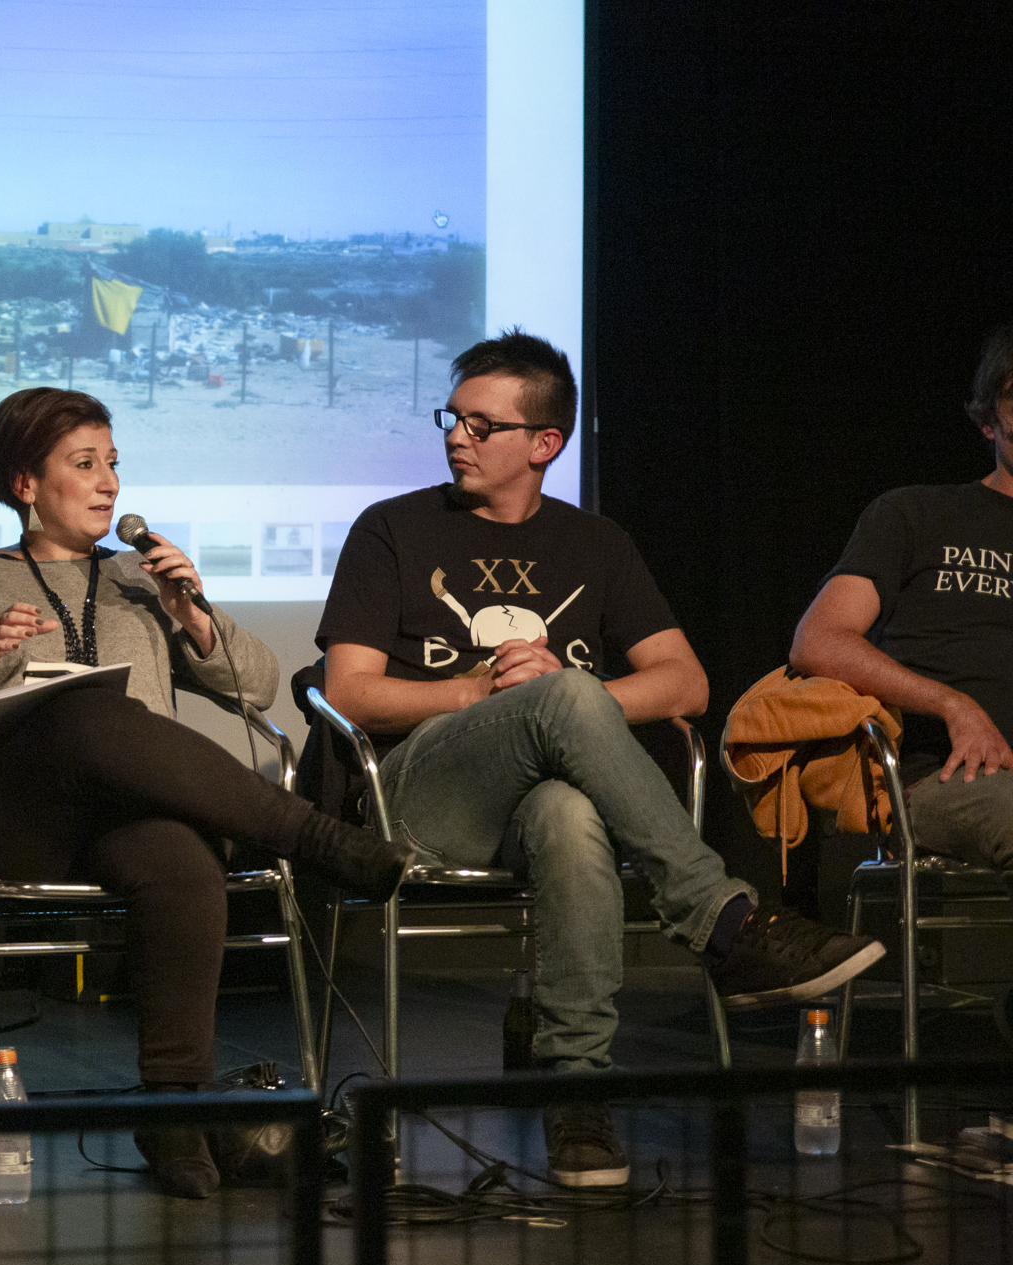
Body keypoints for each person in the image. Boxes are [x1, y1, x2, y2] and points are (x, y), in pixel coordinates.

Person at [314, 329, 884, 1188]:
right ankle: (723, 922)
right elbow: (350, 692)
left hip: (534, 807)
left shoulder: (596, 544)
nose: (457, 437)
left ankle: (576, 1089)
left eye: (481, 425)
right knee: (569, 697)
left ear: (544, 443)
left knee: (570, 810)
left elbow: (687, 683)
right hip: (419, 795)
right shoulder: (393, 528)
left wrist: (566, 698)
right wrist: (480, 692)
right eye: (452, 419)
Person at [0, 386, 410, 1199]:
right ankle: (314, 836)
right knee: (85, 709)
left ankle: (172, 1109)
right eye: (84, 464)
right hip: (3, 820)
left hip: (117, 826)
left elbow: (257, 685)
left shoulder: (140, 581)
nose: (109, 482)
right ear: (24, 483)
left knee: (180, 858)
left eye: (113, 463)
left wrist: (194, 617)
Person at [790, 322, 1013, 870]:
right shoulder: (917, 514)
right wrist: (953, 704)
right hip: (950, 778)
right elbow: (819, 640)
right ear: (989, 420)